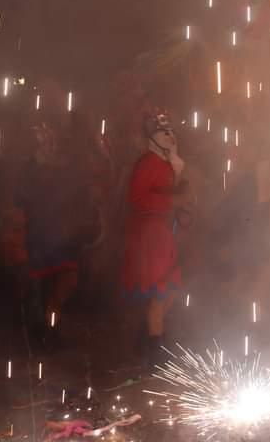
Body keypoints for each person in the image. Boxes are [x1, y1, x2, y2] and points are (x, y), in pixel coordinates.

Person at [120, 111, 187, 369]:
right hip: (149, 234)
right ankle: (154, 354)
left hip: (162, 233)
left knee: (171, 291)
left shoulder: (166, 163)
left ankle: (147, 339)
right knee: (161, 293)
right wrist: (172, 201)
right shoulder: (148, 163)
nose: (170, 137)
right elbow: (136, 198)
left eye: (171, 132)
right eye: (164, 133)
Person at [18, 122, 84, 347]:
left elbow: (72, 194)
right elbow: (22, 199)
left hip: (60, 235)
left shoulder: (64, 168)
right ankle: (41, 332)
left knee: (67, 278)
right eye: (45, 140)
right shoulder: (30, 168)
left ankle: (50, 324)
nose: (50, 144)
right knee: (37, 287)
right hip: (39, 234)